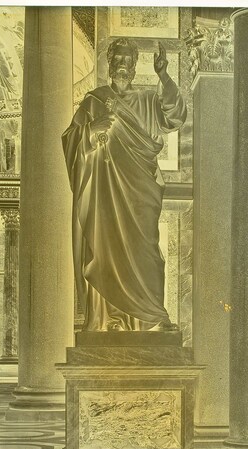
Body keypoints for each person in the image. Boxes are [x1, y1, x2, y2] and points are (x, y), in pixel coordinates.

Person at [62, 38, 187, 332]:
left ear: (134, 66)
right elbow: (70, 140)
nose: (123, 64)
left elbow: (175, 116)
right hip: (106, 193)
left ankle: (151, 316)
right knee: (107, 251)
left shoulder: (147, 100)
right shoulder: (93, 101)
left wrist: (164, 76)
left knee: (147, 252)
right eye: (118, 58)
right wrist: (91, 131)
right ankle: (111, 320)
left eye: (129, 60)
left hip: (141, 191)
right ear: (109, 60)